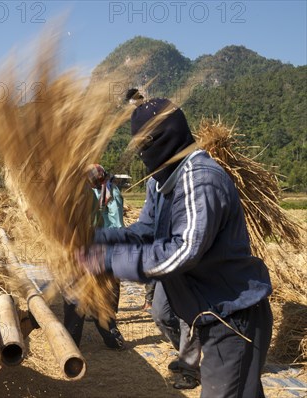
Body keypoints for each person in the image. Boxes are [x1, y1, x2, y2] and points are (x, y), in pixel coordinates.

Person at [77, 98, 273, 397]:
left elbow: (184, 252)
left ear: (164, 140)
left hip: (233, 316)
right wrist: (94, 238)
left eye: (144, 146)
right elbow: (146, 231)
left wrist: (109, 260)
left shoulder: (200, 178)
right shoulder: (162, 181)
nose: (142, 155)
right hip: (208, 312)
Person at [63, 164, 125, 350]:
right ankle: (73, 342)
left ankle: (111, 338)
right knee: (79, 295)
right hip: (82, 249)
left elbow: (117, 226)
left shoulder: (110, 194)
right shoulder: (84, 194)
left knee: (98, 296)